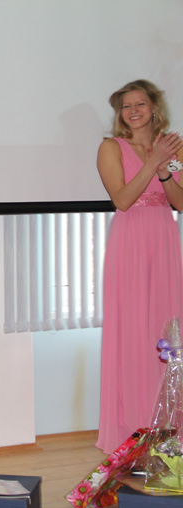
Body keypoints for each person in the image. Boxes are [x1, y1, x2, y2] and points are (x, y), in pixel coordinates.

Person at [95, 80, 183, 454]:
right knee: (133, 327)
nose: (133, 111)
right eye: (126, 106)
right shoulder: (110, 147)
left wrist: (164, 170)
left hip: (164, 239)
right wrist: (152, 161)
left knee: (166, 326)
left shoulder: (174, 148)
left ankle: (169, 425)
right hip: (130, 241)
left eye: (140, 104)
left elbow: (180, 202)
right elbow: (123, 199)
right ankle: (132, 425)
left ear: (154, 107)